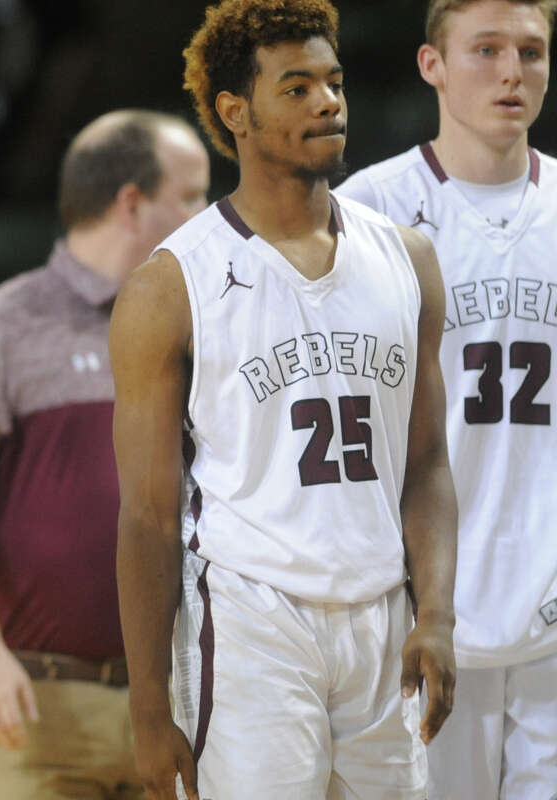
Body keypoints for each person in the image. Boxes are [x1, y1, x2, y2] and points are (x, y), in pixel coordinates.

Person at [111, 0, 461, 797]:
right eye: (296, 88)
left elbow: (428, 464)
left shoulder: (408, 259)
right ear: (235, 112)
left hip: (383, 613)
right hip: (250, 623)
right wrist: (147, 705)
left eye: (334, 82)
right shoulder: (170, 286)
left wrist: (437, 614)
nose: (327, 102)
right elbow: (148, 516)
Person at [0, 109, 210, 799]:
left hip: (180, 696)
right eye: (191, 196)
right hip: (39, 703)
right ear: (132, 204)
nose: (207, 216)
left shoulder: (202, 325)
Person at [336, 1, 557, 796]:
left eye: (531, 52)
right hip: (424, 605)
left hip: (550, 598)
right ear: (431, 64)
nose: (511, 73)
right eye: (486, 50)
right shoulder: (366, 213)